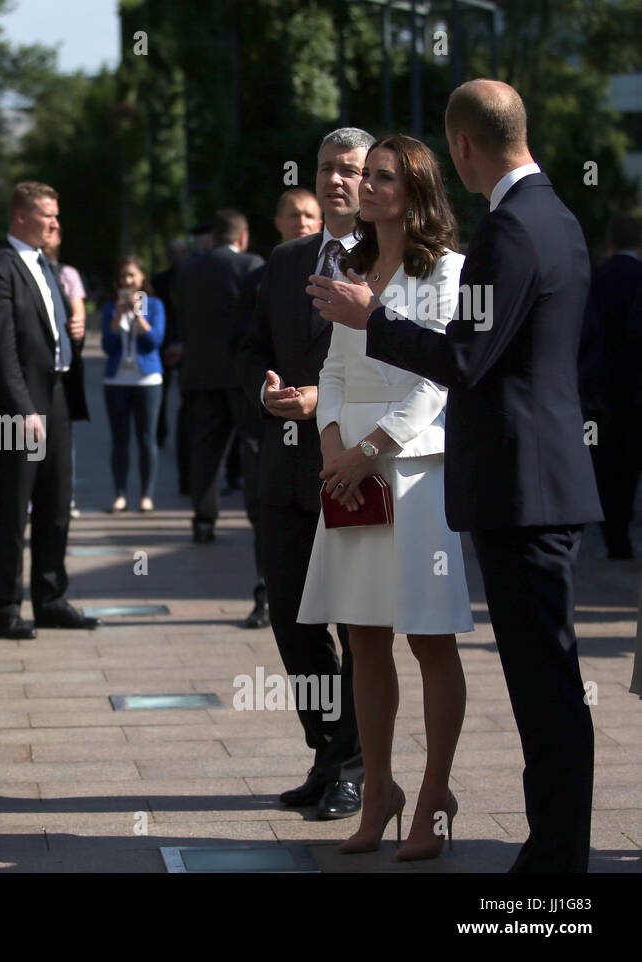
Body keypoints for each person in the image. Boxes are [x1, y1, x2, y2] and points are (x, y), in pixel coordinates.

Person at [315, 80, 602, 873]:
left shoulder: (509, 231)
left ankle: (553, 866)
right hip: (535, 482)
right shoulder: (557, 218)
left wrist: (371, 320)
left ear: (464, 148)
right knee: (546, 685)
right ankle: (553, 855)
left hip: (518, 488)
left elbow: (465, 360)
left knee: (545, 688)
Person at [298, 135, 473, 860]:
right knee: (363, 638)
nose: (367, 186)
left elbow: (436, 383)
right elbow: (334, 370)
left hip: (414, 473)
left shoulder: (451, 272)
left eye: (384, 177)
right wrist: (334, 443)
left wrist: (372, 452)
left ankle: (434, 793)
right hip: (350, 474)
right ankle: (379, 789)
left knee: (429, 638)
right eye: (364, 175)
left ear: (417, 189)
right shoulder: (352, 264)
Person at [238, 127, 374, 821]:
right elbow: (254, 344)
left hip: (354, 470)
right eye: (327, 168)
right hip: (286, 473)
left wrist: (327, 400)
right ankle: (325, 753)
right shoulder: (286, 260)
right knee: (294, 621)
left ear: (372, 179)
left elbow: (405, 365)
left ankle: (354, 766)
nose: (336, 180)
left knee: (355, 626)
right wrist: (264, 390)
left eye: (349, 169)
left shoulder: (392, 261)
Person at [0, 181, 98, 640]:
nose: (56, 224)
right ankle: (5, 607)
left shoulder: (46, 266)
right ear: (21, 216)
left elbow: (44, 330)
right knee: (11, 507)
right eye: (48, 215)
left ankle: (50, 598)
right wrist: (23, 410)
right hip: (17, 406)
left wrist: (73, 332)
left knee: (56, 503)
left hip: (56, 394)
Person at [173, 210, 265, 543]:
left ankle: (203, 520)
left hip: (200, 373)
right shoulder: (251, 266)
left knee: (206, 450)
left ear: (213, 237)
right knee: (253, 447)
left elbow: (182, 318)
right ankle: (257, 516)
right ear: (242, 237)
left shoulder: (188, 269)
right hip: (241, 376)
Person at [583, 214, 642, 559]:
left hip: (601, 388)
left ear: (610, 243)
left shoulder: (596, 278)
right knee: (631, 466)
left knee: (606, 464)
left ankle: (614, 536)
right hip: (635, 389)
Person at [100, 255, 166, 513]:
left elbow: (154, 342)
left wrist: (138, 316)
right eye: (123, 276)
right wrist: (117, 317)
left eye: (132, 275)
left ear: (142, 277)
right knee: (120, 439)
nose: (127, 280)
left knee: (147, 438)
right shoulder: (110, 308)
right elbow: (108, 346)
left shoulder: (155, 305)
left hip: (147, 380)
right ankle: (120, 494)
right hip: (116, 380)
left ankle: (146, 495)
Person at [44, 234, 88, 519]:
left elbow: (79, 314)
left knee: (62, 434)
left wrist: (77, 323)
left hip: (62, 364)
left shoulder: (67, 274)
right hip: (40, 361)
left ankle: (64, 494)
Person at [152, 239, 190, 466]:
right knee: (161, 394)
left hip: (187, 344)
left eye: (181, 252)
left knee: (186, 398)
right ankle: (159, 433)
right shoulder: (159, 281)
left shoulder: (195, 277)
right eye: (173, 253)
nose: (178, 257)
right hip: (163, 343)